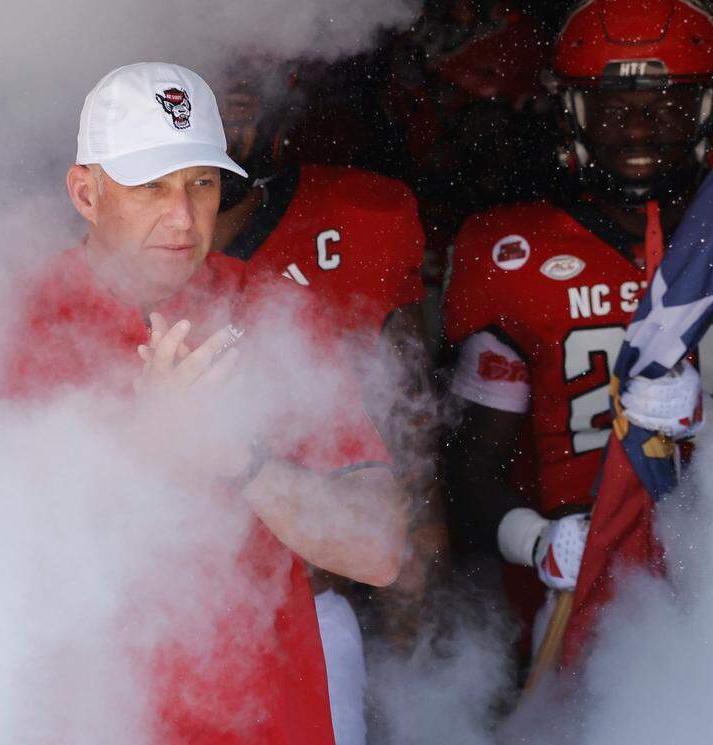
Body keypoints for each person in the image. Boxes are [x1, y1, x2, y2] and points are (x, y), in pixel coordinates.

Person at [5, 62, 412, 744]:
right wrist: (140, 442)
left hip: (265, 719)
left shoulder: (276, 309)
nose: (183, 216)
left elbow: (377, 549)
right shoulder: (12, 318)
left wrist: (237, 459)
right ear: (86, 191)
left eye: (201, 183)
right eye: (152, 186)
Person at [442, 0, 713, 660]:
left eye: (667, 102)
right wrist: (535, 539)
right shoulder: (509, 250)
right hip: (581, 594)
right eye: (611, 103)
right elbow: (470, 465)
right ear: (568, 109)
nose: (638, 127)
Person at [211, 54, 445, 744]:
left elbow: (411, 438)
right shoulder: (89, 267)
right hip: (159, 618)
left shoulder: (351, 226)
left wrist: (413, 660)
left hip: (312, 604)